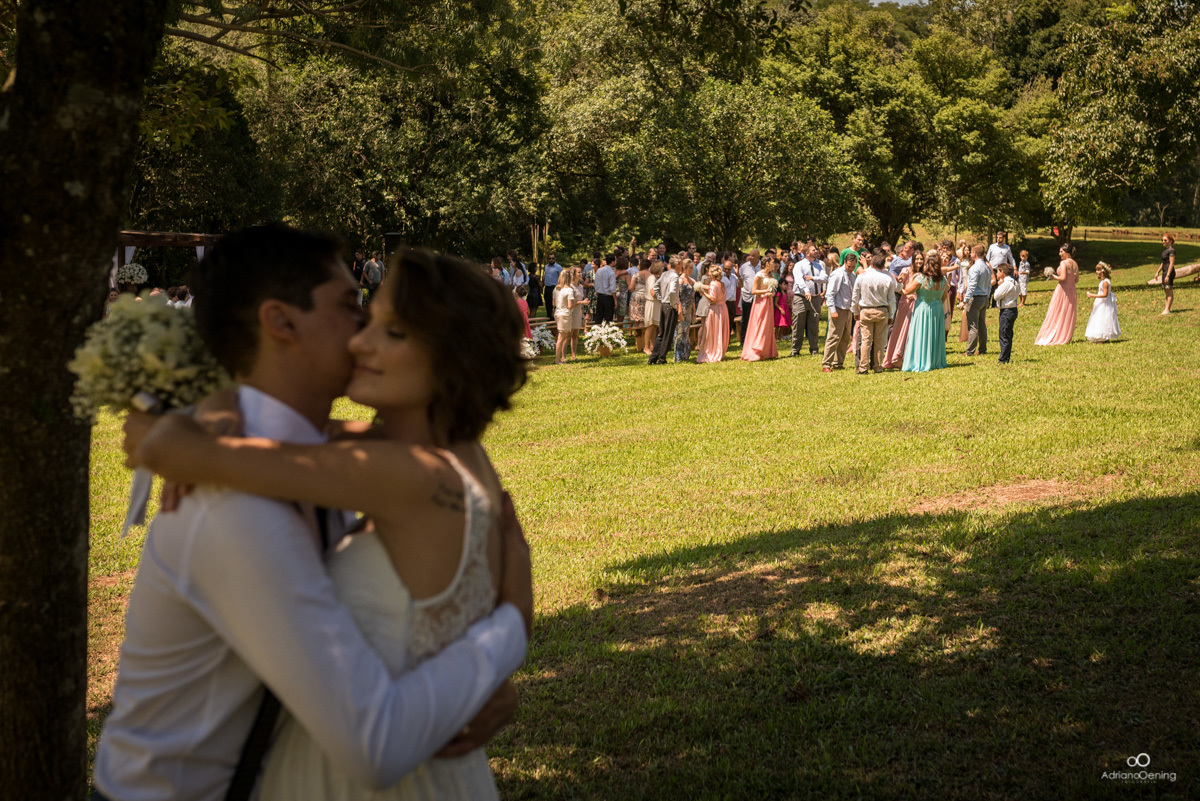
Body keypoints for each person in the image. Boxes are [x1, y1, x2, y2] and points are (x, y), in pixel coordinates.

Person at [94, 225, 531, 801]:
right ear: (280, 321)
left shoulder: (363, 465)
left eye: (386, 325)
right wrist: (505, 636)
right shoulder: (236, 500)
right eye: (354, 307)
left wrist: (195, 428)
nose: (360, 337)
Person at [901, 250, 949, 373]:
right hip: (937, 308)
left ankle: (920, 361)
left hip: (923, 308)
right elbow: (943, 298)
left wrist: (912, 278)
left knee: (921, 333)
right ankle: (935, 360)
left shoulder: (921, 278)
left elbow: (907, 291)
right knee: (934, 334)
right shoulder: (943, 280)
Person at [851, 252, 897, 375]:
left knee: (866, 340)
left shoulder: (862, 276)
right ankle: (877, 366)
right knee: (879, 340)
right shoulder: (887, 278)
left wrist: (855, 311)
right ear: (883, 266)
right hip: (882, 310)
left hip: (866, 310)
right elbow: (892, 299)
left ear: (871, 263)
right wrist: (891, 315)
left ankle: (863, 367)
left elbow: (855, 296)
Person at [1034, 243, 1079, 346]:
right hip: (1072, 291)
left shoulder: (1064, 263)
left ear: (1066, 252)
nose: (1059, 254)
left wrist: (1053, 277)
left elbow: (1063, 278)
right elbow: (1076, 280)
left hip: (1062, 290)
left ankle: (1056, 335)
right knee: (1067, 313)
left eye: (1061, 252)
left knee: (1057, 311)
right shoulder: (1075, 264)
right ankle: (1065, 335)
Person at [884, 250, 920, 369]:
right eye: (917, 259)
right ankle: (897, 356)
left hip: (919, 303)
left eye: (921, 259)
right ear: (913, 260)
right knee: (901, 329)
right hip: (906, 302)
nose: (919, 261)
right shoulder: (906, 271)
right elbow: (898, 287)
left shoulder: (924, 272)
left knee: (914, 330)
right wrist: (906, 293)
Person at [821, 252, 856, 372]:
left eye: (853, 266)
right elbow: (830, 294)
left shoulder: (853, 275)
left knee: (845, 338)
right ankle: (826, 364)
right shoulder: (838, 274)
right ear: (844, 263)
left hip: (848, 310)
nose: (851, 268)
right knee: (833, 337)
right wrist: (832, 310)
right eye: (849, 266)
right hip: (838, 309)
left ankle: (838, 362)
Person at [740, 258, 778, 362]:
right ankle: (756, 349)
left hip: (768, 302)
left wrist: (772, 293)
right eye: (772, 262)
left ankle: (767, 350)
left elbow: (773, 290)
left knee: (767, 325)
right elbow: (753, 291)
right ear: (767, 263)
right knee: (759, 324)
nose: (774, 264)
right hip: (760, 303)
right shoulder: (759, 275)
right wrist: (767, 290)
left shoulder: (771, 275)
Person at [791, 247, 822, 356]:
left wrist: (814, 279)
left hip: (815, 298)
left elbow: (824, 278)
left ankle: (814, 349)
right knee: (798, 324)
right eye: (814, 250)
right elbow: (799, 279)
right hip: (801, 298)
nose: (817, 252)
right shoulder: (799, 265)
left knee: (814, 324)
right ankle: (795, 350)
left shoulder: (819, 266)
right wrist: (806, 290)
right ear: (807, 252)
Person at [649, 257, 680, 364]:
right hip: (669, 306)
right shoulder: (675, 276)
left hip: (663, 305)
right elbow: (672, 291)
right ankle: (662, 358)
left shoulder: (664, 274)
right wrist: (674, 305)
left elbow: (655, 287)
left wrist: (661, 298)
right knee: (668, 333)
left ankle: (653, 358)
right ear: (677, 264)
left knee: (661, 333)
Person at [697, 264, 729, 363]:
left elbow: (712, 300)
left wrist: (703, 292)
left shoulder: (713, 284)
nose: (709, 274)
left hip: (715, 310)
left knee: (713, 331)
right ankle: (719, 351)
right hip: (723, 309)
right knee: (720, 331)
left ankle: (712, 351)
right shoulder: (722, 284)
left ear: (713, 274)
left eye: (710, 272)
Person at [964, 243, 991, 356]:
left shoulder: (974, 268)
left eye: (971, 252)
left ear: (974, 253)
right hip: (984, 297)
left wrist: (965, 300)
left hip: (976, 298)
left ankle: (970, 351)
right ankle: (983, 349)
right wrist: (988, 297)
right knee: (982, 324)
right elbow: (989, 285)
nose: (970, 254)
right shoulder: (986, 267)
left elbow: (972, 286)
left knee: (973, 325)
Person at [1085, 262, 1121, 343]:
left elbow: (1105, 294)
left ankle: (1103, 337)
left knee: (1103, 318)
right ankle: (1103, 337)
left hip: (1104, 304)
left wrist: (1092, 295)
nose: (1096, 272)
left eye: (1098, 270)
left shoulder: (1105, 282)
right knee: (1100, 318)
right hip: (1102, 303)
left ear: (1103, 271)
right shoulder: (1103, 281)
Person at [993, 264, 1020, 364]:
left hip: (1007, 310)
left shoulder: (1006, 284)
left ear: (1002, 273)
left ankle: (1003, 358)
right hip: (1012, 309)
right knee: (1007, 334)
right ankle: (1006, 355)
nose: (996, 273)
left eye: (998, 271)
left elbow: (996, 296)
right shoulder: (1014, 282)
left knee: (1004, 334)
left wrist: (999, 286)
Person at [674, 259, 696, 362]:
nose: (692, 270)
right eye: (690, 268)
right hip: (682, 308)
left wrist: (694, 312)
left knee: (686, 332)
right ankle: (678, 356)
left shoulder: (692, 280)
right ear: (684, 268)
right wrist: (680, 312)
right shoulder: (680, 280)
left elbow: (692, 298)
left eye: (692, 268)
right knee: (680, 332)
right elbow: (677, 298)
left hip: (689, 309)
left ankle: (686, 355)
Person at [738, 249, 761, 343]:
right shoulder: (744, 267)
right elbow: (741, 280)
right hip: (747, 297)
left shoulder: (762, 266)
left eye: (753, 256)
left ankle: (756, 339)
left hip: (759, 297)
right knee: (745, 319)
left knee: (758, 319)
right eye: (750, 255)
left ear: (758, 257)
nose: (750, 257)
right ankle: (744, 341)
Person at [553, 268, 574, 364]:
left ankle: (559, 358)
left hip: (557, 313)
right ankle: (557, 359)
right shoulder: (569, 290)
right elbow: (570, 305)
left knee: (562, 337)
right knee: (561, 338)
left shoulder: (556, 289)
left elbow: (553, 303)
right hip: (565, 314)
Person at [630, 258, 650, 352]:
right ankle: (644, 343)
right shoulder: (651, 275)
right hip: (646, 297)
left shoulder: (636, 275)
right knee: (644, 319)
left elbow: (631, 287)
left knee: (637, 320)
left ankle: (639, 344)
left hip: (637, 297)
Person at [1155, 233, 1176, 314]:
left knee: (1169, 290)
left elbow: (1171, 263)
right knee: (1166, 290)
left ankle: (1167, 309)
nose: (1163, 241)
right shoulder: (1165, 250)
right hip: (1164, 272)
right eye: (1162, 240)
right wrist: (1157, 272)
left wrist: (1168, 275)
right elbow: (1163, 263)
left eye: (1165, 240)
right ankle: (1166, 308)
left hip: (1169, 273)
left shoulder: (1171, 251)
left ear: (1170, 241)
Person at [643, 262, 662, 355]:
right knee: (650, 326)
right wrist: (662, 297)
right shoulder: (652, 278)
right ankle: (646, 347)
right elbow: (653, 293)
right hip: (651, 303)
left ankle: (653, 346)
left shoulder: (655, 278)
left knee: (654, 325)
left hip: (656, 304)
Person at [594, 254, 617, 324]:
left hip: (600, 296)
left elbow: (595, 284)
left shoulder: (599, 270)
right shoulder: (611, 272)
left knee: (598, 316)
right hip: (608, 297)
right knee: (608, 317)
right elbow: (612, 288)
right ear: (612, 261)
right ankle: (608, 332)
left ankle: (596, 332)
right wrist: (615, 299)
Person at [571, 266, 588, 355]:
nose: (580, 274)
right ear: (573, 274)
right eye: (578, 272)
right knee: (569, 334)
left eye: (581, 272)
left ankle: (574, 353)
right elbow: (571, 302)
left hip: (579, 311)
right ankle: (564, 354)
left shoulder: (580, 287)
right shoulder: (570, 287)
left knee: (576, 334)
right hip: (571, 311)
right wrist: (582, 302)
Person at [720, 259, 739, 340]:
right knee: (723, 322)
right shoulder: (720, 277)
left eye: (728, 269)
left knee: (731, 321)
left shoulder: (734, 277)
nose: (726, 270)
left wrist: (738, 274)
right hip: (724, 302)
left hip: (732, 302)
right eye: (725, 268)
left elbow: (740, 285)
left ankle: (727, 339)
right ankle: (722, 340)